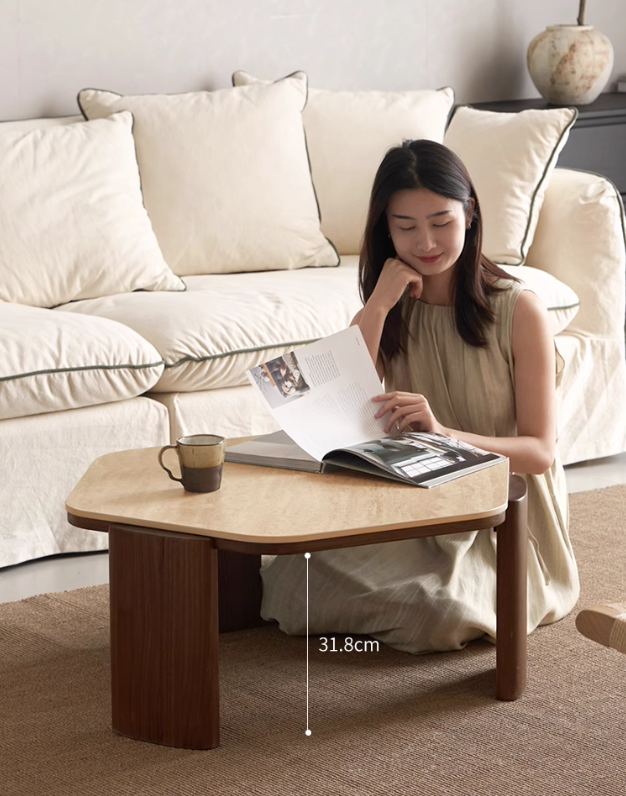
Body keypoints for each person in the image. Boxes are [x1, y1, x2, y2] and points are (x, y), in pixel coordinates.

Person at [260, 139, 579, 654]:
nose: (425, 242)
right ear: (385, 227)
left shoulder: (521, 312)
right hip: (420, 500)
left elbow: (540, 453)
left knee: (440, 610)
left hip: (502, 511)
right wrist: (380, 304)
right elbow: (338, 395)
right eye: (405, 226)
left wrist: (445, 435)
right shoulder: (391, 307)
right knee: (289, 581)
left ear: (470, 214)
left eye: (441, 221)